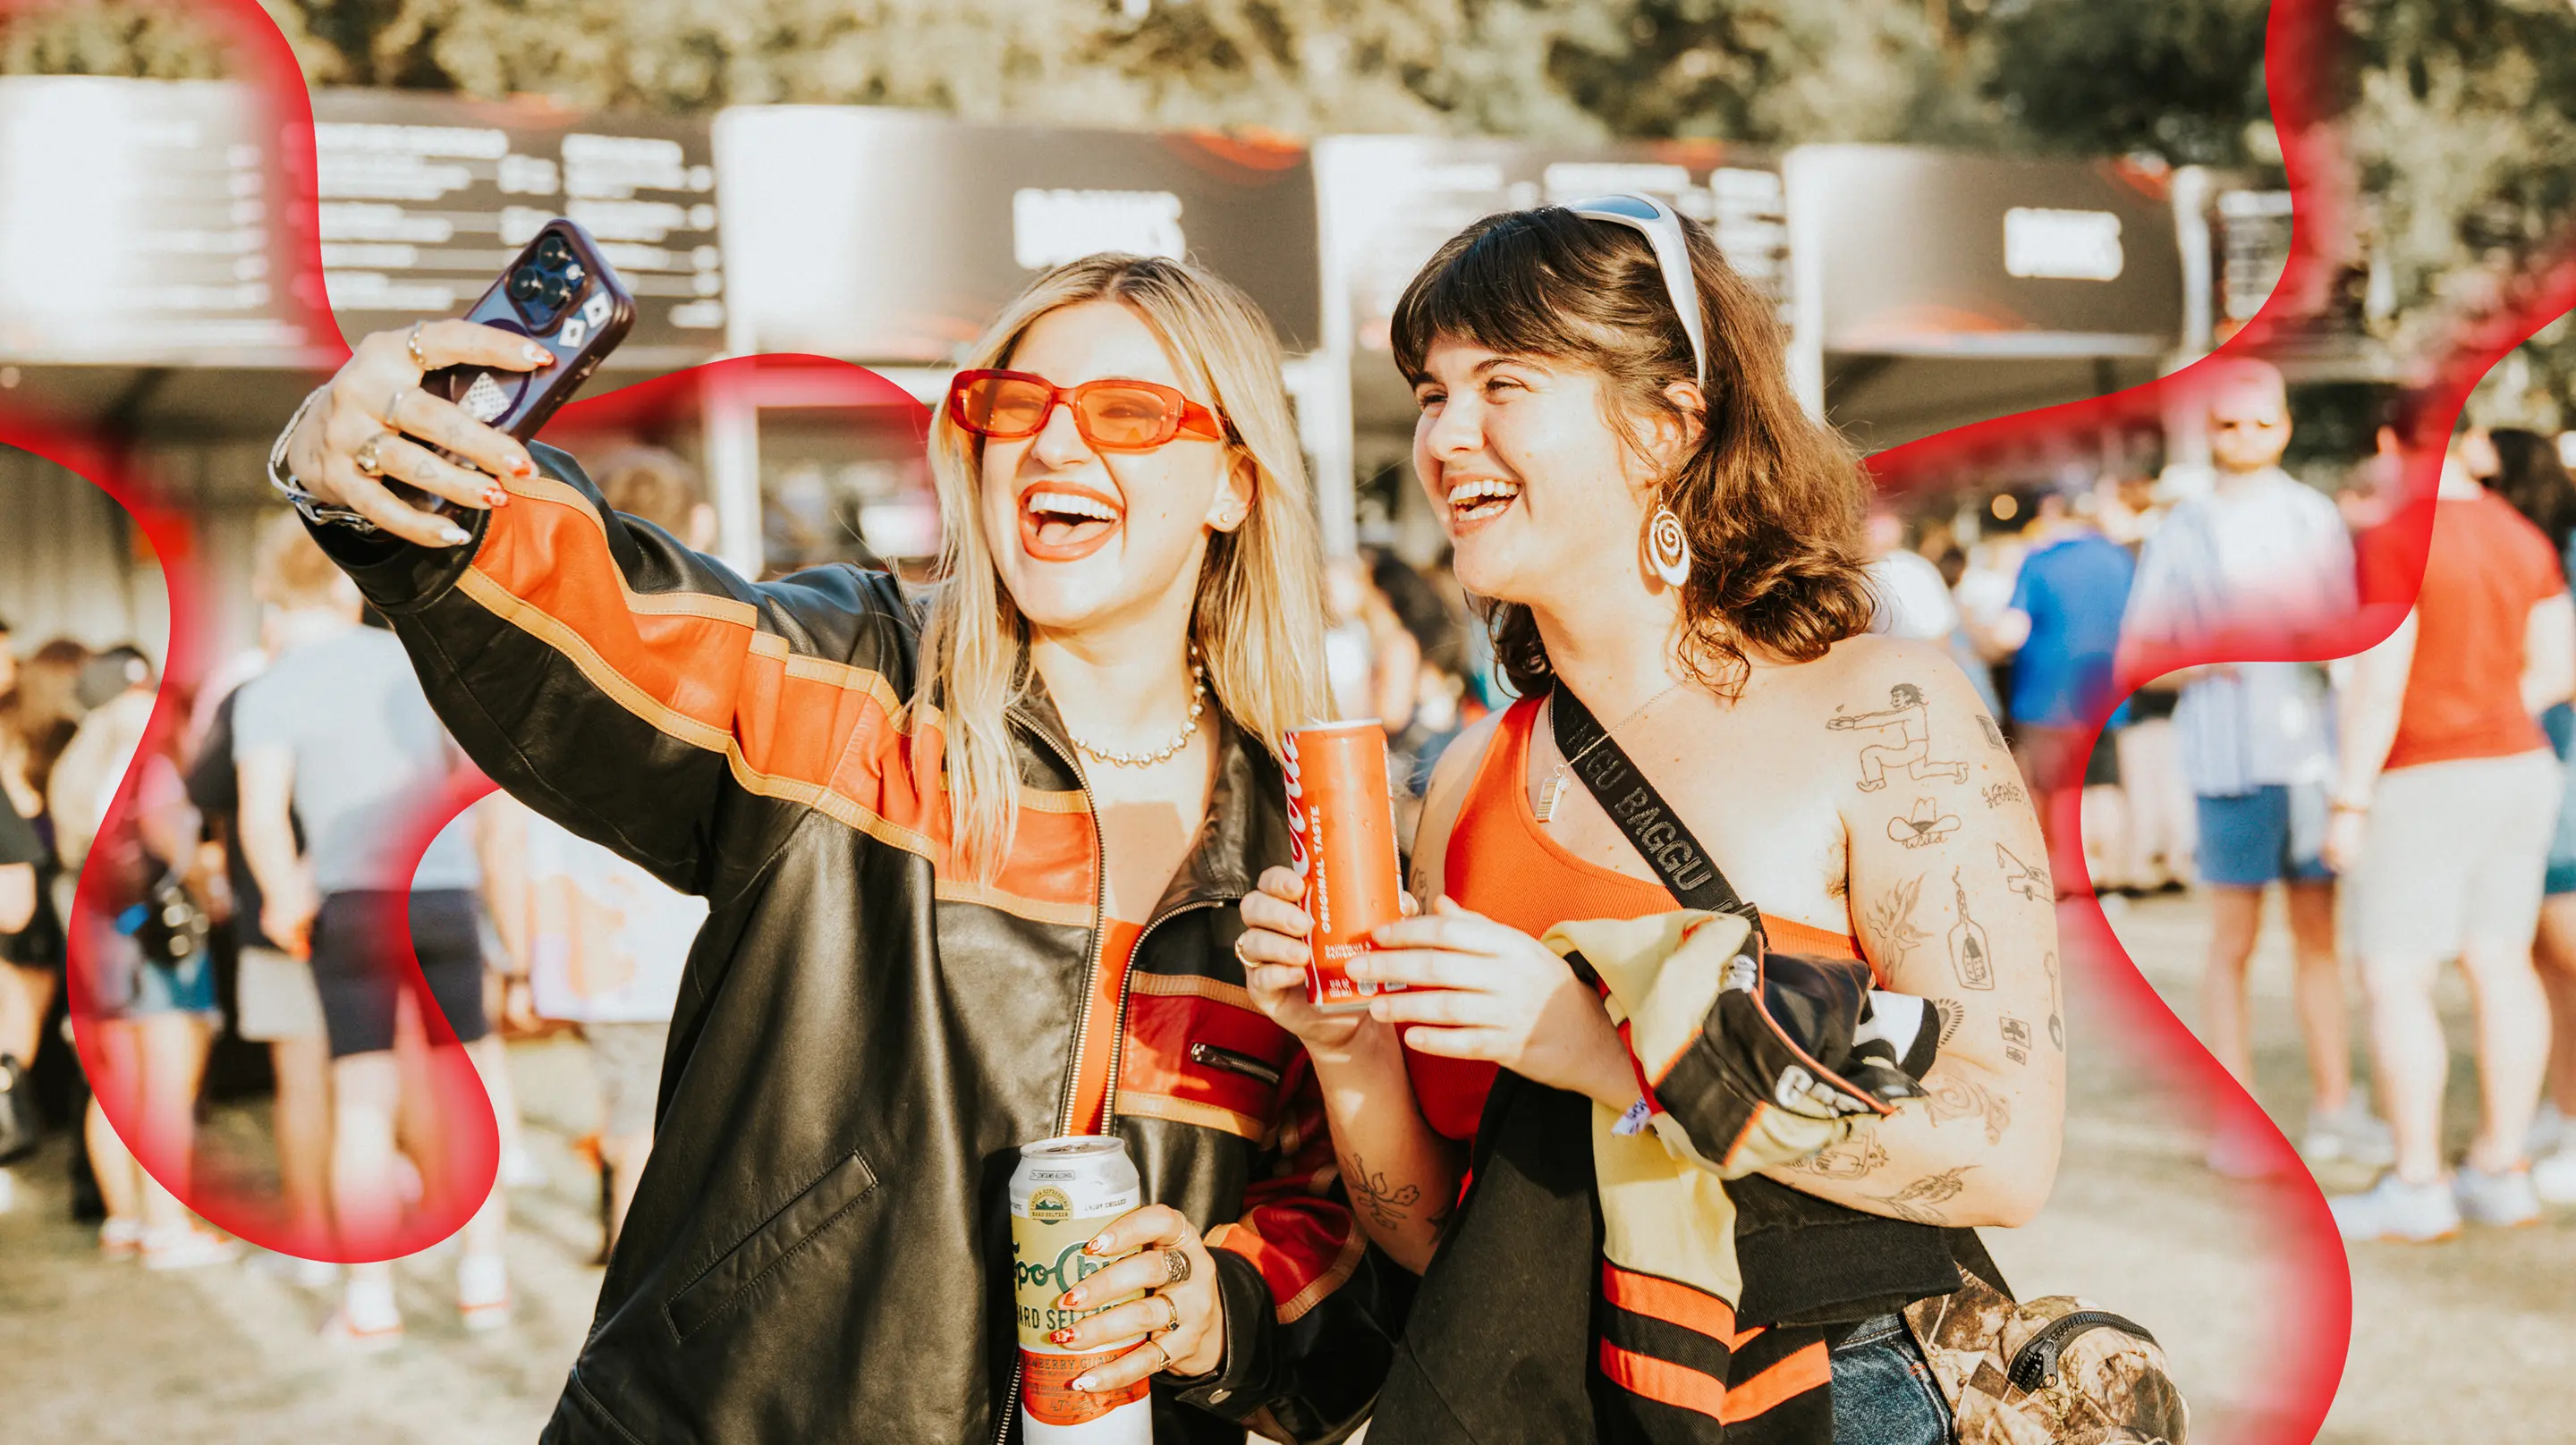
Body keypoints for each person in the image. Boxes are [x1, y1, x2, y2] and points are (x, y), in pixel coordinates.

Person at [270, 254, 1401, 1441]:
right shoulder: (854, 686)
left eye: (1125, 413)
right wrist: (377, 465)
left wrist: (1213, 1309)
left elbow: (1349, 1236)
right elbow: (606, 611)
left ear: (1233, 480)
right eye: (1014, 405)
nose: (1055, 447)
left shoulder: (1303, 840)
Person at [1238, 198, 2061, 1443]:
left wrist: (1599, 1045)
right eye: (1428, 394)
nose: (1446, 434)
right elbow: (1444, 1243)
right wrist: (1346, 1048)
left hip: (1842, 1398)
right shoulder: (1463, 781)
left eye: (1502, 382)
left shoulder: (1882, 709)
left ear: (1667, 424)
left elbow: (2004, 1155)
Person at [229, 555, 513, 1344]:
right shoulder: (415, 662)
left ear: (270, 593)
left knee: (360, 1102)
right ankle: (484, 1280)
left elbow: (259, 817)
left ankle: (372, 1303)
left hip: (350, 903)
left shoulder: (267, 689)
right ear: (348, 585)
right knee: (474, 1089)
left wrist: (288, 900)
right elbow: (473, 782)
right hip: (442, 890)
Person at [2116, 359, 2387, 1175]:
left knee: (2317, 941)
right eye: (2228, 425)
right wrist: (2209, 657)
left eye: (2258, 422)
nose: (2244, 438)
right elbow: (2140, 658)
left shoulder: (2314, 518)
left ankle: (2336, 1106)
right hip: (2227, 761)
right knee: (2231, 942)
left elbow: (2356, 641)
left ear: (2284, 425)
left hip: (2310, 758)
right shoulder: (2181, 529)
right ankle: (2238, 1120)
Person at [2322, 425, 2576, 1239]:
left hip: (2420, 774)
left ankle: (2419, 1183)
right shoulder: (2523, 532)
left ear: (2395, 440)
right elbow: (2559, 664)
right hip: (2519, 766)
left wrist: (2350, 801)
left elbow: (2379, 679)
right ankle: (2500, 1171)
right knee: (2500, 963)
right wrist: (2493, 715)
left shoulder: (2399, 537)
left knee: (2395, 979)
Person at [183, 515, 352, 1287]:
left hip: (277, 917)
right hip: (373, 904)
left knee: (305, 1082)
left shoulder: (254, 690)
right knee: (383, 1074)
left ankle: (319, 1239)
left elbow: (208, 792)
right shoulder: (391, 675)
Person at [50, 646, 237, 1268]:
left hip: (96, 933)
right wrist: (206, 881)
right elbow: (168, 836)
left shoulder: (72, 770)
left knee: (114, 1088)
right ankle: (167, 1230)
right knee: (166, 1088)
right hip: (153, 935)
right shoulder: (145, 763)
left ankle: (125, 1220)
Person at [2479, 427, 2576, 1187]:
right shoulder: (2521, 552)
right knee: (2546, 958)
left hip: (2554, 766)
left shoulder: (2557, 557)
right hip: (2530, 768)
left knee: (2566, 952)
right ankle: (2564, 1108)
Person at [1987, 490, 2135, 895]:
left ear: (2051, 512)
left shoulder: (2039, 561)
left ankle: (2075, 877)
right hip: (2106, 692)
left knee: (2060, 787)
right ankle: (2110, 874)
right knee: (2103, 783)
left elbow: (2010, 631)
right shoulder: (2118, 558)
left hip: (2046, 696)